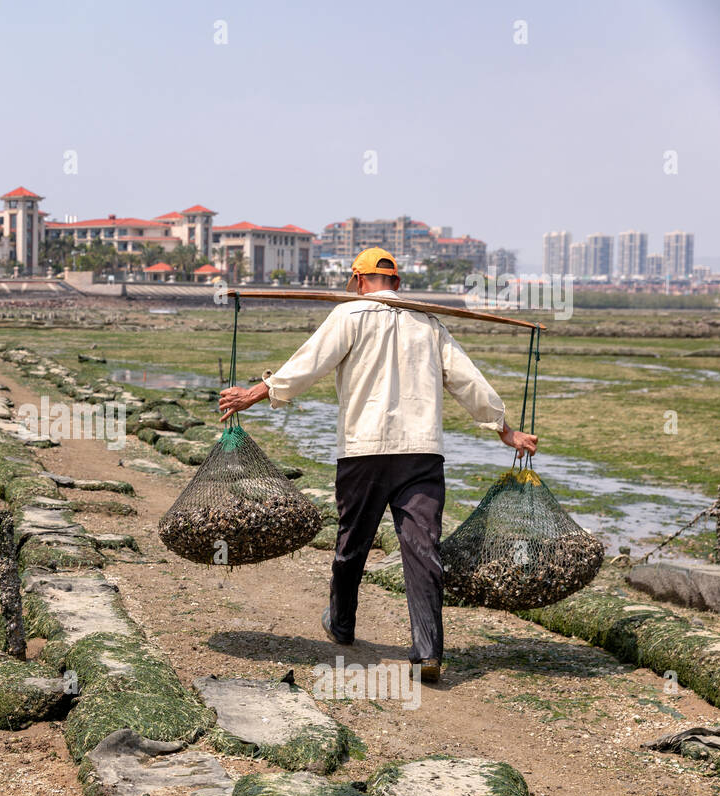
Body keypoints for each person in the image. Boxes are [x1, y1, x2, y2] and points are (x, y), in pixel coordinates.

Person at [217, 248, 538, 683]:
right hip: (421, 455)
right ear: (397, 283)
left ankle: (342, 624)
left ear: (358, 280)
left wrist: (253, 394)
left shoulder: (349, 317)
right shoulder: (429, 324)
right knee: (423, 550)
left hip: (363, 452)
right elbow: (467, 380)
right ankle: (427, 651)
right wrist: (505, 430)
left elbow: (307, 366)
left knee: (353, 544)